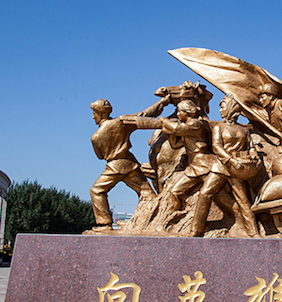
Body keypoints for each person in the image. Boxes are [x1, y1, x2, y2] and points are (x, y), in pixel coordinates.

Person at [89, 95, 169, 232]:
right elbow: (144, 116)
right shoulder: (121, 122)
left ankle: (105, 224)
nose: (93, 116)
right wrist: (162, 104)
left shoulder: (96, 137)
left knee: (96, 191)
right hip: (130, 164)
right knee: (147, 193)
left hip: (114, 166)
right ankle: (159, 217)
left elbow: (100, 156)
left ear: (100, 113)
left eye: (94, 113)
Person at [157, 100, 228, 236]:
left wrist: (164, 121)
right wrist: (169, 134)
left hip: (205, 164)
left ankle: (239, 219)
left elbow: (176, 129)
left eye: (180, 111)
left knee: (222, 198)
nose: (178, 114)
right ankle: (176, 220)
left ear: (188, 112)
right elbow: (176, 145)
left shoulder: (195, 124)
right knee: (175, 192)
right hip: (194, 166)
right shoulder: (187, 128)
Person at [211, 96, 262, 237]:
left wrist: (255, 155)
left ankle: (254, 233)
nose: (220, 111)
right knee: (205, 193)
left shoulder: (244, 130)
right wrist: (230, 160)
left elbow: (250, 146)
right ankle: (195, 230)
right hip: (222, 166)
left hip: (239, 168)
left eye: (222, 107)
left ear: (231, 108)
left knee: (243, 201)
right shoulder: (219, 127)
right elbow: (216, 146)